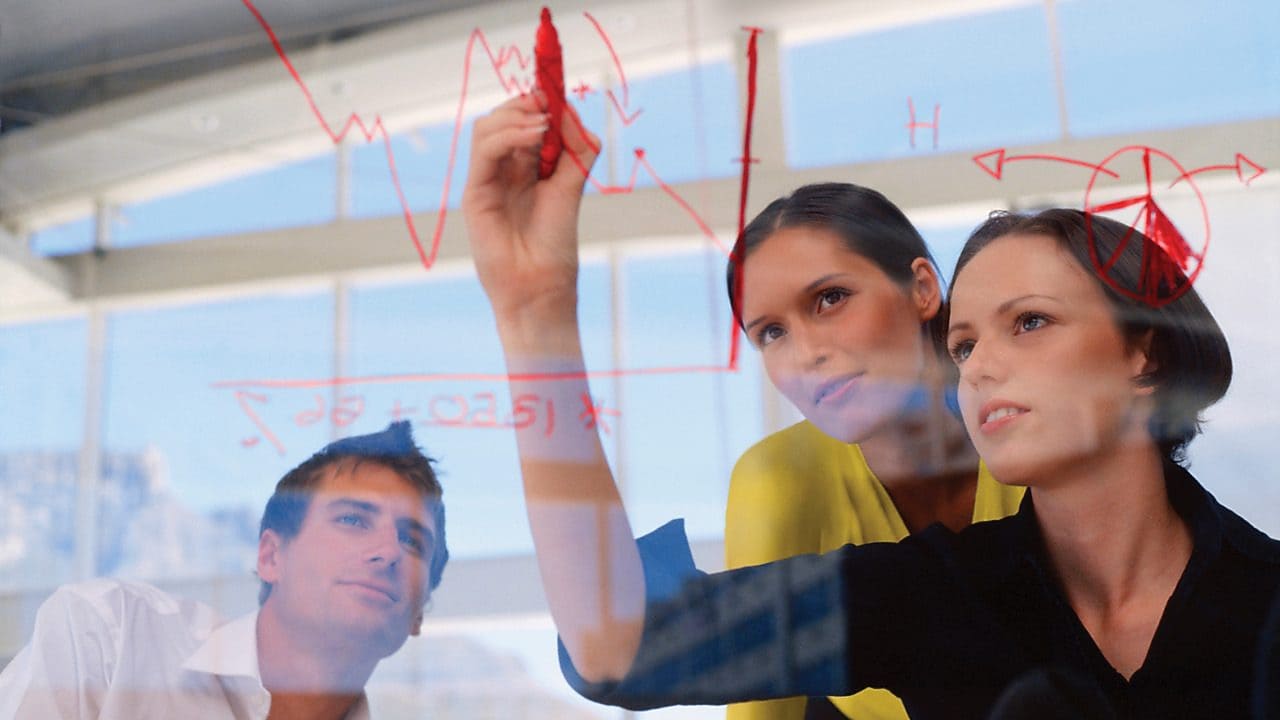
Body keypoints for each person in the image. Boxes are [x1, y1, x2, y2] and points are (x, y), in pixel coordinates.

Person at [461, 93, 1280, 718]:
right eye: (965, 345)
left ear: (1144, 353)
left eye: (1030, 322)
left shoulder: (1266, 597)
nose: (981, 366)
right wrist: (536, 316)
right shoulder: (933, 592)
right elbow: (618, 646)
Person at [724, 182, 1024, 720]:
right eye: (771, 333)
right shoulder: (777, 481)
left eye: (830, 298)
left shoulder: (1032, 430)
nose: (807, 353)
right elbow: (760, 707)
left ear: (922, 289)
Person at [0, 420, 448, 720]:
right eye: (353, 519)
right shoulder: (110, 638)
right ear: (271, 557)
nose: (388, 551)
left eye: (413, 542)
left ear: (418, 615)